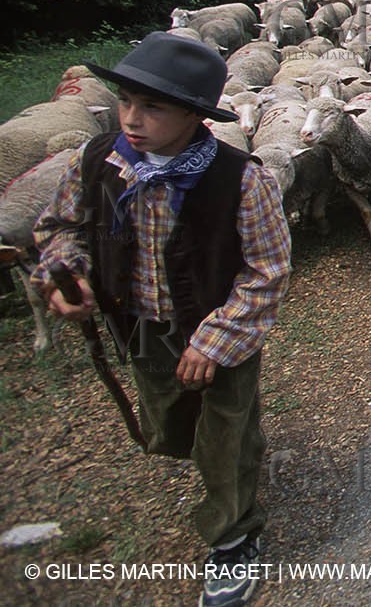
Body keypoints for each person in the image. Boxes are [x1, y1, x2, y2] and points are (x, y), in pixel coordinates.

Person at [32, 32, 292, 607]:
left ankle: (232, 536)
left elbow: (267, 270)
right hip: (142, 325)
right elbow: (60, 227)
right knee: (171, 426)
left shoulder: (241, 180)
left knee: (223, 433)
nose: (133, 118)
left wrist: (219, 339)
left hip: (217, 331)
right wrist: (67, 272)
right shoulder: (100, 162)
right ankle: (230, 463)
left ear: (194, 115)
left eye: (152, 106)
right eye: (126, 101)